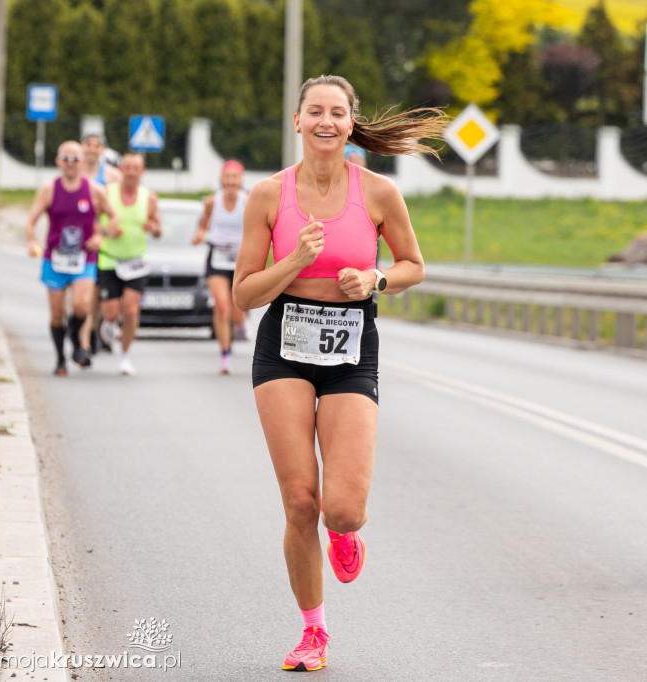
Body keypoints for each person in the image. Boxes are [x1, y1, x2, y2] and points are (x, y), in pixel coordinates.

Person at [231, 74, 447, 672]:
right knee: (300, 503)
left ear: (351, 123)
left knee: (341, 508)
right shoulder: (268, 196)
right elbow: (244, 294)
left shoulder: (377, 193)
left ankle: (345, 534)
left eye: (337, 113)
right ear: (297, 121)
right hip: (284, 344)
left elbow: (414, 266)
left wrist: (376, 279)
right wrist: (294, 261)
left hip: (352, 348)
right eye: (314, 112)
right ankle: (313, 633)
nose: (326, 122)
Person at [24, 141, 117, 376]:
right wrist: (32, 241)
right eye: (66, 158)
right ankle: (59, 359)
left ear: (82, 162)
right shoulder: (49, 189)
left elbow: (113, 217)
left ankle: (77, 342)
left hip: (84, 257)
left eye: (75, 159)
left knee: (80, 304)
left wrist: (101, 236)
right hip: (55, 258)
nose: (71, 164)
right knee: (56, 314)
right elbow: (30, 221)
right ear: (58, 162)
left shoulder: (95, 189)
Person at [97, 153, 162, 376]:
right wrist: (106, 231)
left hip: (136, 261)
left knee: (131, 309)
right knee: (112, 313)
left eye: (136, 168)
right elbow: (94, 224)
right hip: (109, 259)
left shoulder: (149, 198)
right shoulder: (107, 193)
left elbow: (158, 228)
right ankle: (108, 323)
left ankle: (124, 356)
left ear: (142, 172)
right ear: (121, 170)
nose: (132, 172)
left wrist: (153, 228)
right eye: (128, 167)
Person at [191, 160, 250, 374]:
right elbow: (203, 223)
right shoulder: (211, 202)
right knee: (221, 306)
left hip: (241, 258)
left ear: (241, 180)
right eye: (228, 177)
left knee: (237, 312)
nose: (231, 182)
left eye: (235, 178)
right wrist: (199, 234)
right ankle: (225, 356)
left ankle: (241, 321)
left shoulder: (248, 201)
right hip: (217, 257)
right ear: (222, 179)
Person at [81, 133, 122, 355]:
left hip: (103, 239)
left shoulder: (112, 176)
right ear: (82, 147)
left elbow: (122, 203)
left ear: (103, 149)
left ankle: (92, 332)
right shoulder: (75, 173)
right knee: (84, 293)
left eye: (97, 146)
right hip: (80, 238)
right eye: (88, 144)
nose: (92, 149)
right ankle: (84, 339)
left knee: (97, 293)